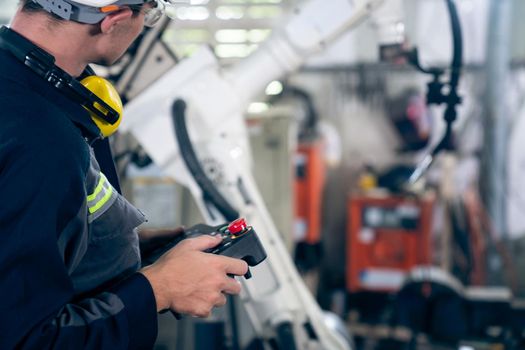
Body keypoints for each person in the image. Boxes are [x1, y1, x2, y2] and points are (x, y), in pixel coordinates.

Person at [0, 0, 248, 348]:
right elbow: (26, 340)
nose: (145, 24)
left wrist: (119, 246)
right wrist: (159, 289)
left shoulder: (20, 93)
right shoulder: (42, 139)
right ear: (113, 20)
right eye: (150, 13)